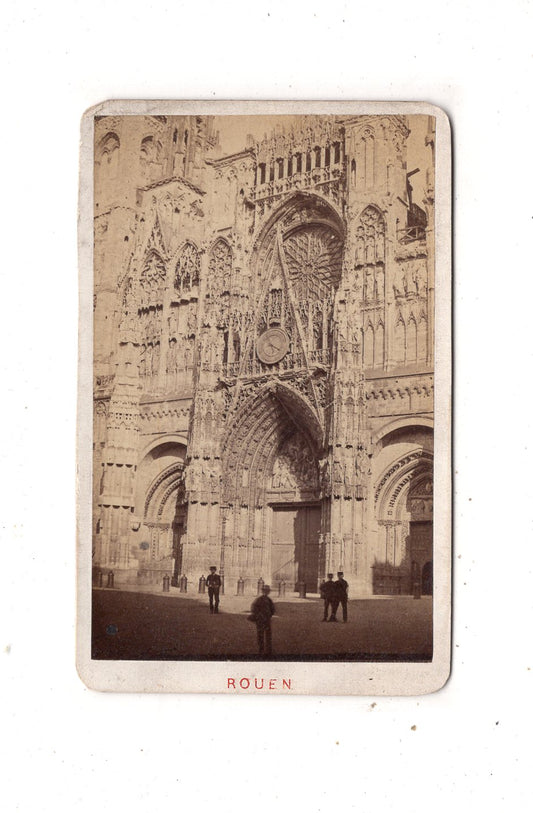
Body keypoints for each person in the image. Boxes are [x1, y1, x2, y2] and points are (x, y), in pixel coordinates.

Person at [250, 585, 275, 655]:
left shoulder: (258, 599)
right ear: (268, 592)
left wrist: (257, 615)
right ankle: (267, 648)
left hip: (260, 619)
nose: (266, 592)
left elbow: (253, 608)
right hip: (266, 619)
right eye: (266, 591)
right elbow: (273, 610)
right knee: (267, 634)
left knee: (261, 634)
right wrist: (269, 615)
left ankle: (262, 648)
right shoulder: (269, 600)